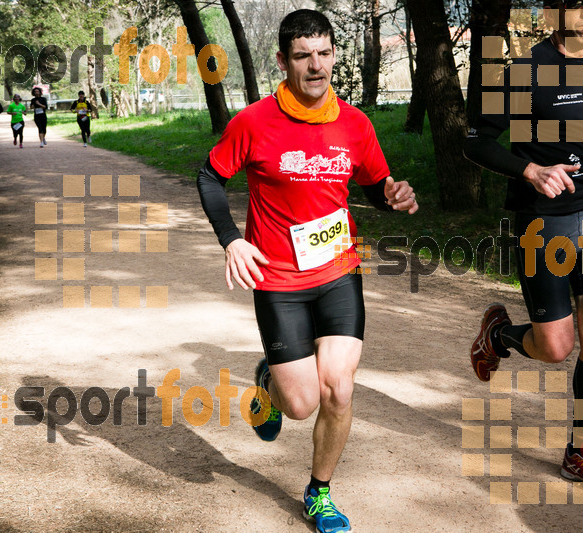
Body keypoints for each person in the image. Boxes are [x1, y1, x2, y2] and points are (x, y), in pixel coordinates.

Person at [197, 9, 418, 532]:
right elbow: (209, 175)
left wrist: (393, 195)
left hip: (338, 271)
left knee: (338, 388)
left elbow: (373, 184)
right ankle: (268, 383)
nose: (315, 66)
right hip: (278, 281)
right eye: (302, 56)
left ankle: (319, 493)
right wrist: (232, 239)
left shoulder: (355, 123)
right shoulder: (253, 122)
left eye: (323, 53)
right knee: (301, 404)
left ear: (334, 56)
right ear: (283, 61)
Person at [464, 0, 583, 498]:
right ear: (554, 12)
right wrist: (530, 171)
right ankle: (500, 334)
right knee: (555, 348)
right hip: (543, 221)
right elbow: (476, 143)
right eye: (578, 3)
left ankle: (581, 453)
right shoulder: (525, 71)